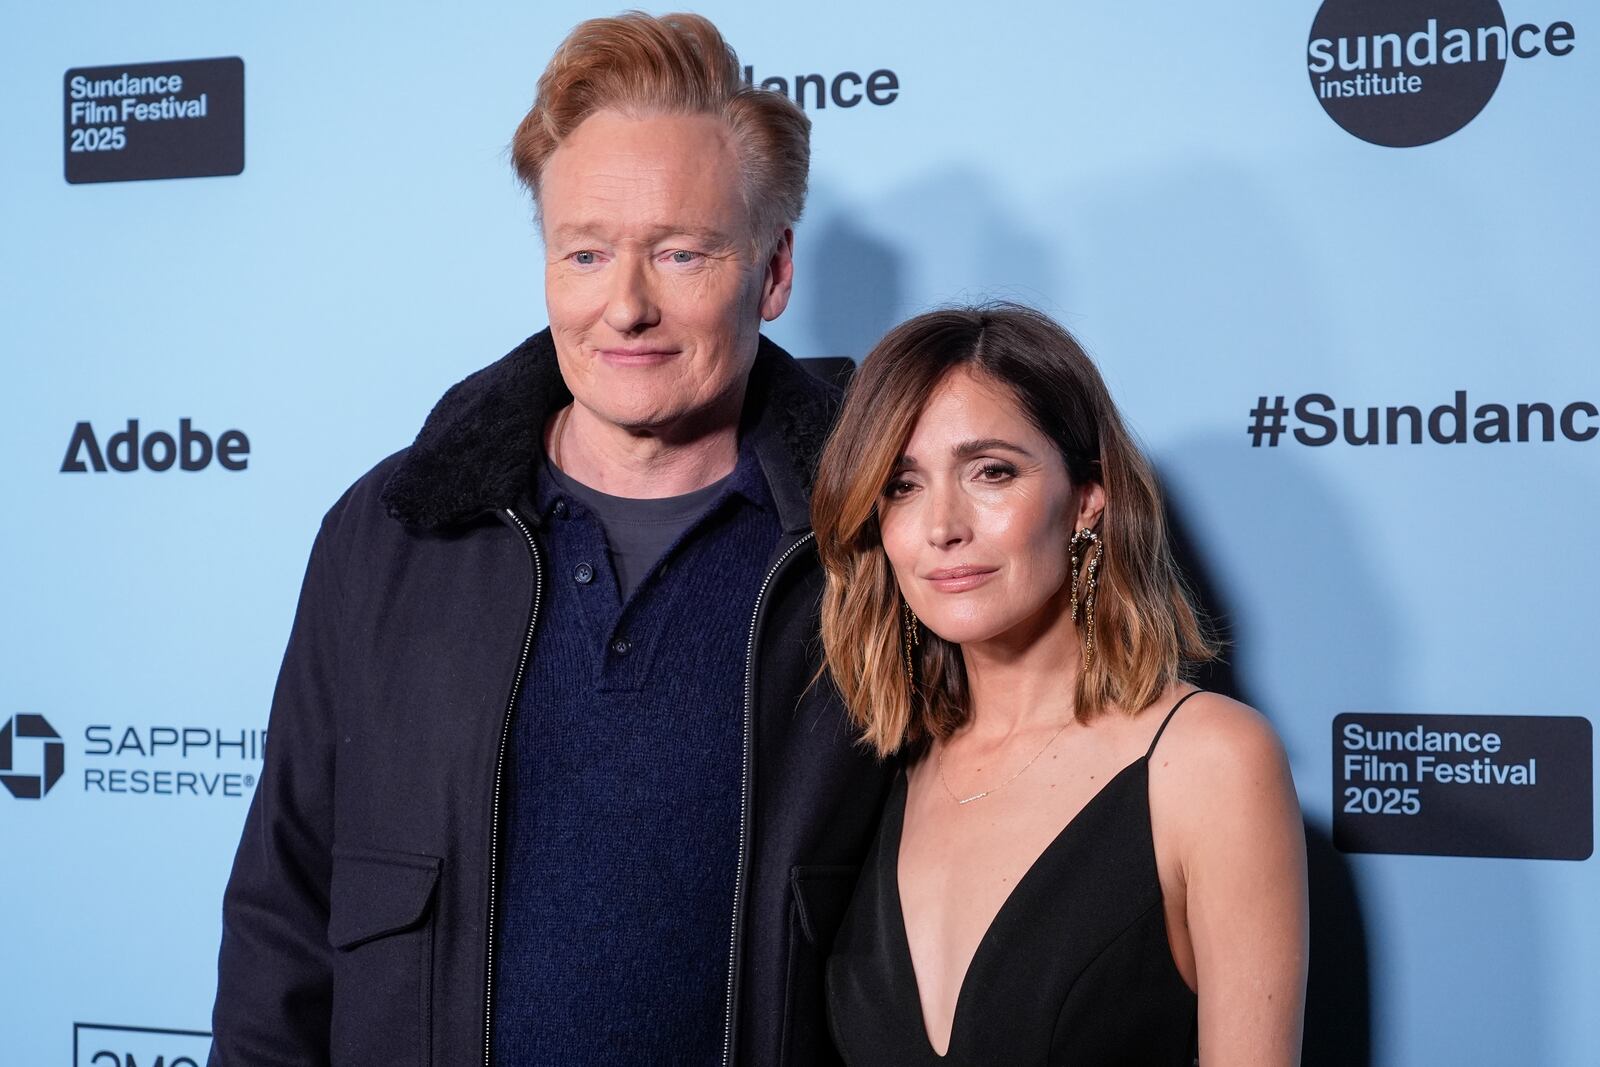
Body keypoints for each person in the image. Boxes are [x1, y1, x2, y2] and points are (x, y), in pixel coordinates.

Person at [209, 12, 889, 1066]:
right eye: (585, 252)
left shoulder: (873, 539)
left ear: (772, 272)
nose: (625, 306)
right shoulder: (392, 532)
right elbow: (283, 914)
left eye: (680, 252)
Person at [812, 305, 1309, 1064]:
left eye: (991, 471)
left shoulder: (1209, 763)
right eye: (902, 485)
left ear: (1087, 498)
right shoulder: (879, 768)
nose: (943, 524)